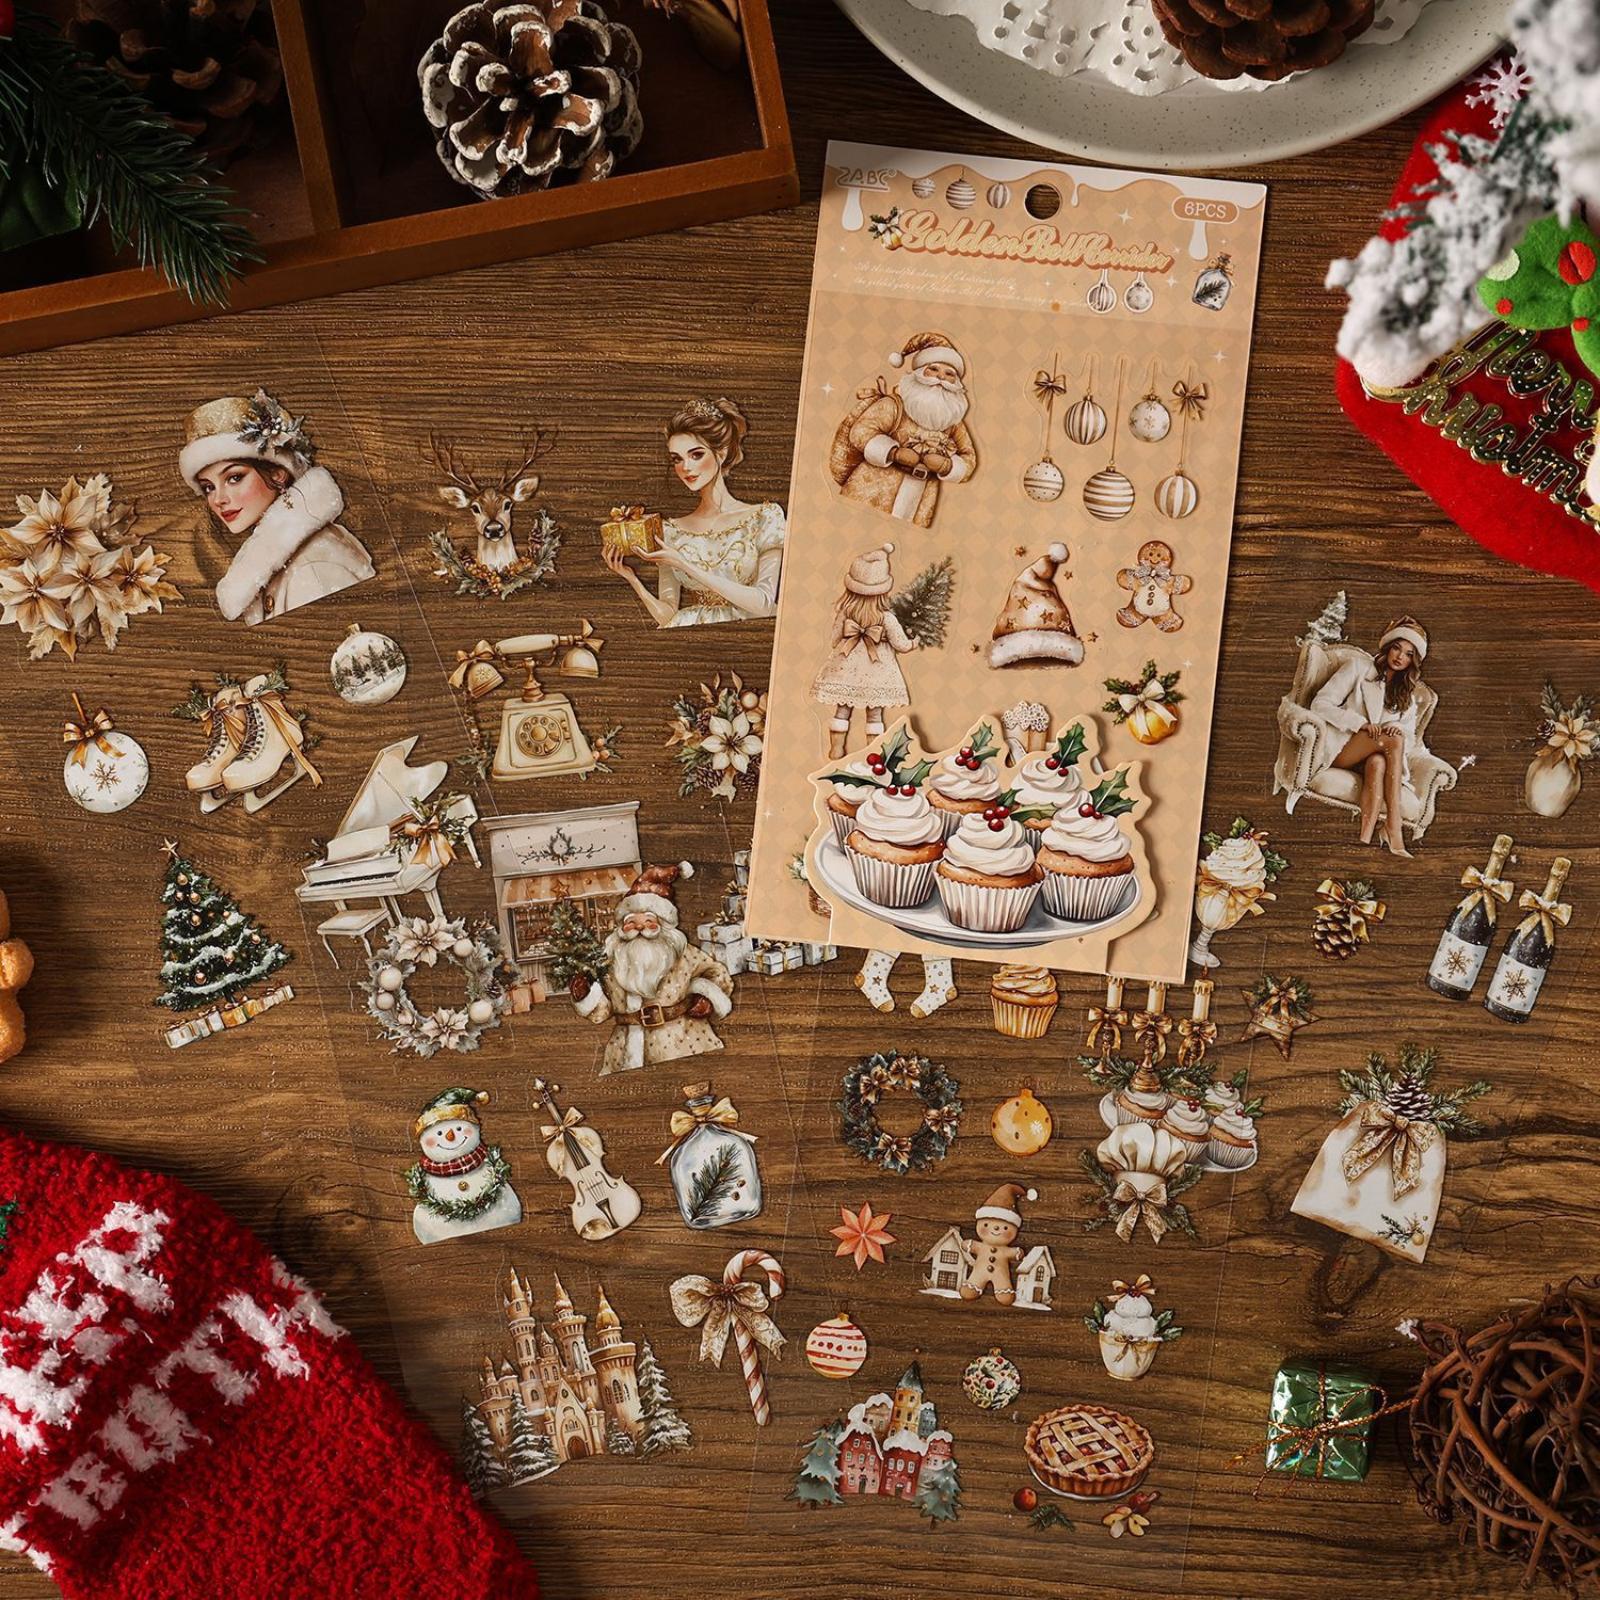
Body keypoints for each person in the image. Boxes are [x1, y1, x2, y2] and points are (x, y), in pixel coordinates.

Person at [179, 390, 373, 625]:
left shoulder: (313, 568)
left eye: (234, 478)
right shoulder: (275, 559)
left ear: (279, 474)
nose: (218, 499)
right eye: (209, 487)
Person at [603, 397, 786, 628]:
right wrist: (631, 577)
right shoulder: (670, 530)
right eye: (677, 459)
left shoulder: (764, 517)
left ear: (721, 453)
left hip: (750, 632)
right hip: (690, 634)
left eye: (696, 455)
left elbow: (765, 604)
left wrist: (685, 564)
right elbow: (668, 615)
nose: (686, 467)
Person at [570, 862, 735, 1075]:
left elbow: (716, 972)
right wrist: (585, 995)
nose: (640, 927)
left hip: (683, 1039)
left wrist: (705, 998)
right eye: (631, 922)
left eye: (648, 921)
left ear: (662, 924)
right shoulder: (611, 961)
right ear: (621, 927)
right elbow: (603, 1011)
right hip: (626, 1048)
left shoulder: (681, 953)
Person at [1306, 615, 1433, 858]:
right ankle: (1394, 827)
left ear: (1413, 661)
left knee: (1378, 762)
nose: (1400, 657)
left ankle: (1364, 840)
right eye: (1397, 648)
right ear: (1388, 647)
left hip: (1374, 756)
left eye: (1408, 654)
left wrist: (1396, 728)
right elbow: (1320, 704)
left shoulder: (1407, 693)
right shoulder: (1358, 667)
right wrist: (1360, 724)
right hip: (1343, 749)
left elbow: (1408, 737)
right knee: (1392, 741)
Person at [829, 331, 978, 527]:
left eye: (949, 374)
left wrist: (947, 466)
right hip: (873, 490)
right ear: (919, 372)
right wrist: (894, 453)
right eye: (933, 369)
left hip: (919, 502)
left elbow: (969, 457)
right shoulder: (895, 405)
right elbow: (862, 431)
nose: (940, 377)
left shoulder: (953, 421)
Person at [810, 542, 917, 759]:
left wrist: (848, 636)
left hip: (846, 671)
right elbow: (901, 645)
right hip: (877, 674)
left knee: (842, 710)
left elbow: (834, 640)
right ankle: (873, 754)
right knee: (875, 715)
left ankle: (836, 749)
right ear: (883, 591)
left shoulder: (845, 613)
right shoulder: (886, 618)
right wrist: (914, 642)